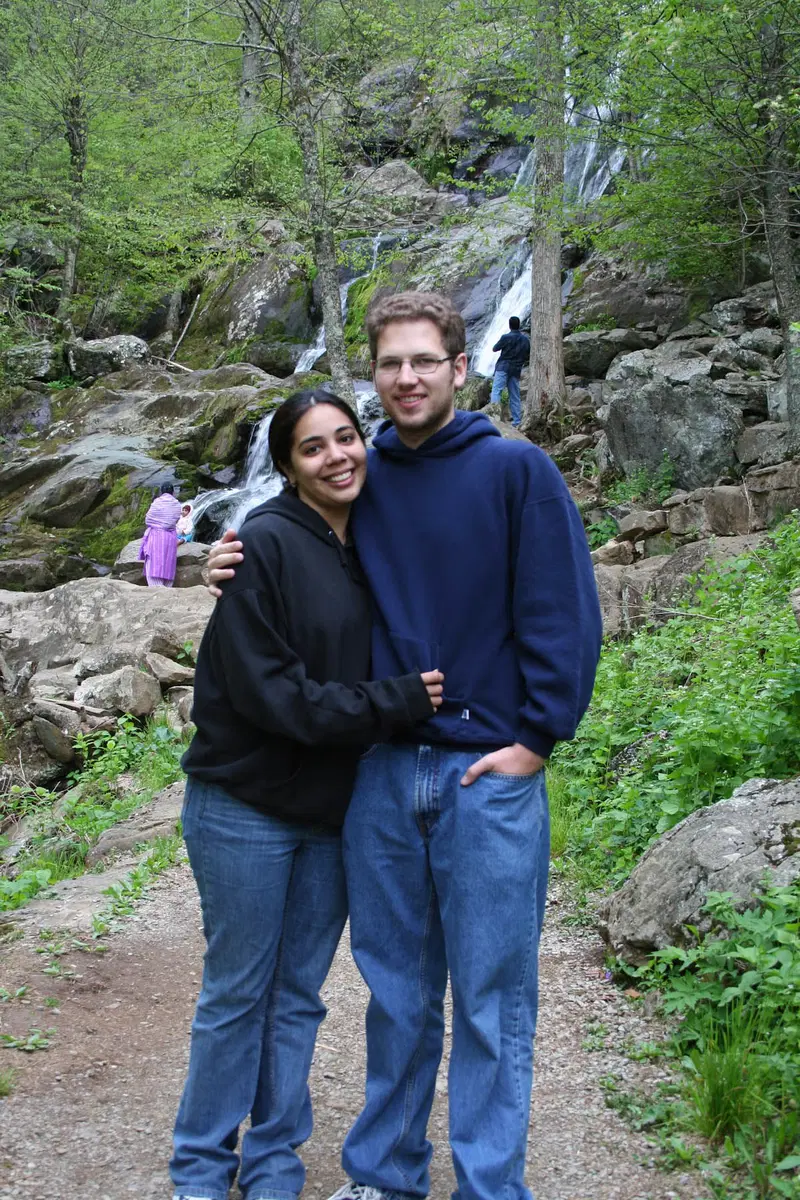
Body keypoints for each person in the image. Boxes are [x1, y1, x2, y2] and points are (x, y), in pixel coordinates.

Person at [207, 293, 602, 1200]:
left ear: (460, 368)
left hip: (486, 776)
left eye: (425, 361)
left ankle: (490, 1186)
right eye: (391, 365)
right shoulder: (364, 469)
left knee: (495, 1001)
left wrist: (538, 738)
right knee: (397, 999)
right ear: (373, 376)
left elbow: (563, 611)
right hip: (381, 771)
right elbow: (287, 534)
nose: (408, 378)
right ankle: (385, 1177)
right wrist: (224, 553)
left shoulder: (516, 470)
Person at [172, 389, 443, 1200]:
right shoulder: (262, 545)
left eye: (347, 439)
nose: (337, 457)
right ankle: (199, 1167)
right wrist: (397, 700)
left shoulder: (374, 543)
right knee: (237, 993)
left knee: (296, 998)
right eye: (314, 447)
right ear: (285, 466)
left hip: (330, 812)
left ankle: (274, 1165)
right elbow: (275, 699)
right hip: (244, 805)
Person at [490, 314, 530, 428]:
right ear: (519, 326)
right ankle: (517, 421)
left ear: (509, 325)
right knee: (515, 395)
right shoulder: (525, 340)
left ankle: (494, 417)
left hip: (503, 367)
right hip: (516, 370)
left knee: (496, 391)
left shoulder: (505, 337)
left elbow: (494, 348)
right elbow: (527, 354)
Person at [139, 482, 182, 587]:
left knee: (155, 561)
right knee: (168, 562)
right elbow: (176, 518)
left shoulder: (157, 502)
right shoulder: (176, 503)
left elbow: (148, 519)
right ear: (172, 492)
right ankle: (167, 587)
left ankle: (156, 588)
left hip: (157, 536)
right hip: (171, 536)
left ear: (162, 491)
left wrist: (158, 524)